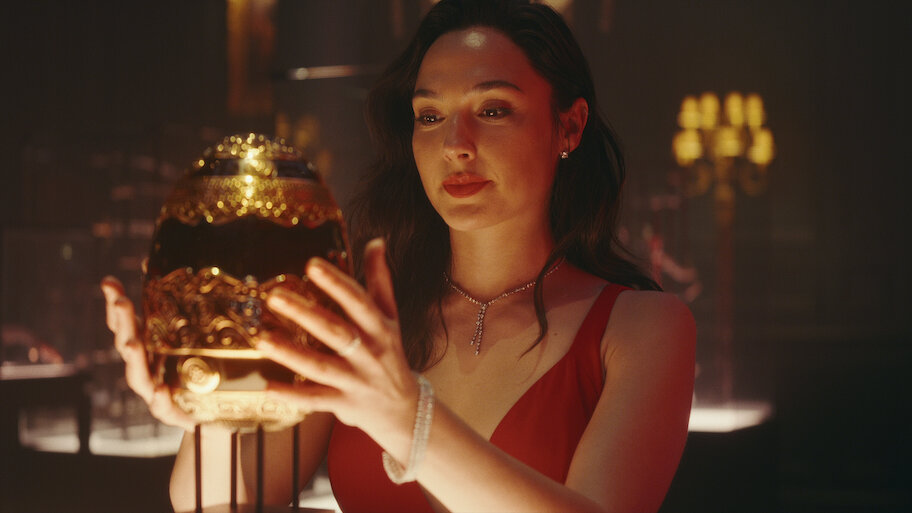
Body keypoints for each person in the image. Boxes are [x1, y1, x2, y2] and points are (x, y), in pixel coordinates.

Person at [102, 1, 695, 511]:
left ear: (569, 126)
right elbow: (220, 501)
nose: (456, 145)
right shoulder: (364, 324)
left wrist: (407, 421)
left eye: (492, 109)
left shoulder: (642, 328)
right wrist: (212, 401)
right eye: (430, 116)